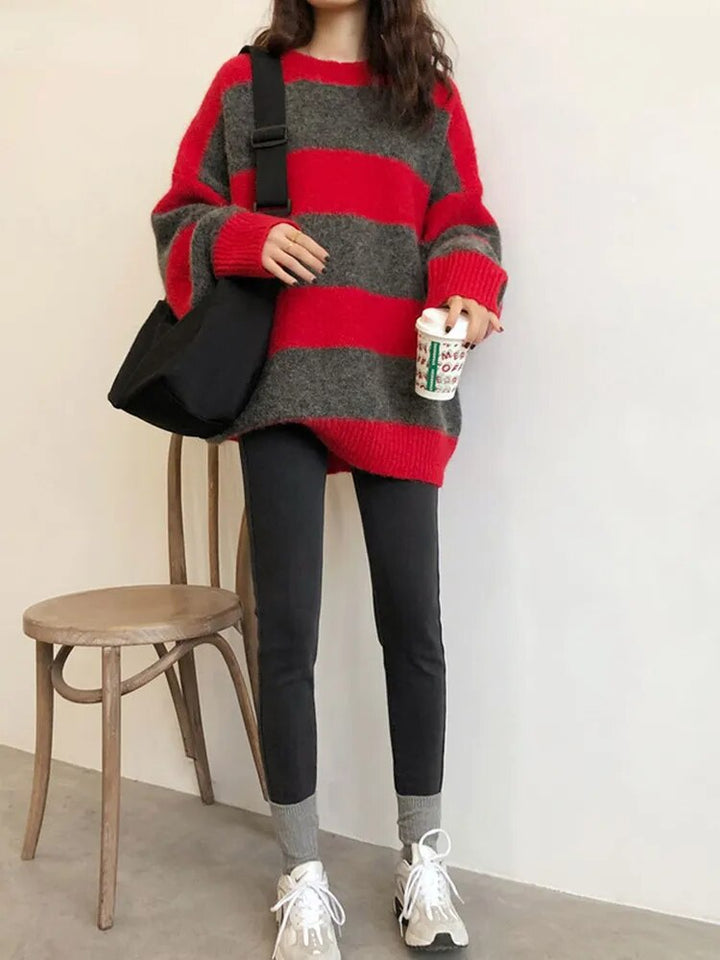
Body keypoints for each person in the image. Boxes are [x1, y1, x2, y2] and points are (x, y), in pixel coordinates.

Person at [151, 1, 508, 956]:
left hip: (400, 388)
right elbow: (179, 217)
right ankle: (301, 874)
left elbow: (461, 222)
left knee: (414, 628)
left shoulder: (426, 99)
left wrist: (468, 294)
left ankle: (422, 859)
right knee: (287, 635)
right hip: (282, 388)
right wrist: (241, 237)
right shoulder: (246, 85)